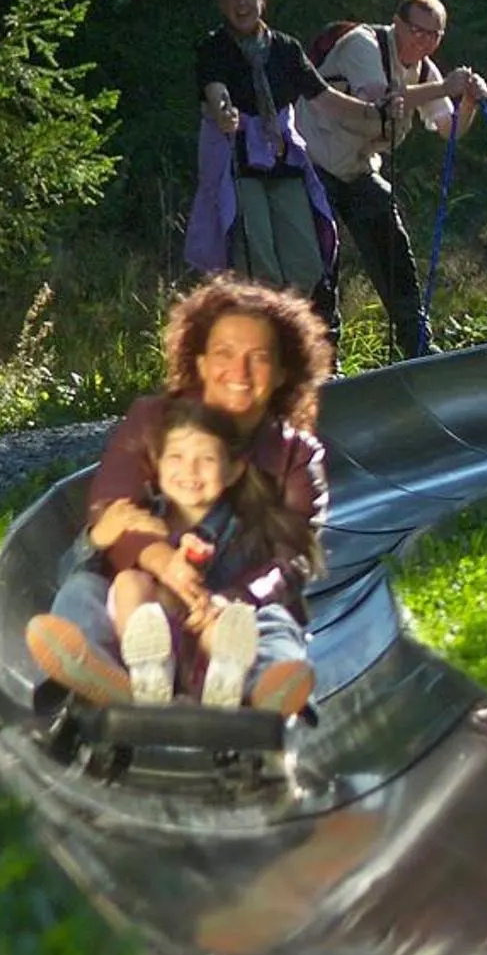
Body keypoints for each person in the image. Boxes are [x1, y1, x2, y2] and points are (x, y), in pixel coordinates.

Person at [27, 278, 333, 717]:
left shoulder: (295, 455)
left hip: (236, 603)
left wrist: (233, 600)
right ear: (203, 364)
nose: (240, 372)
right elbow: (113, 506)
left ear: (284, 372)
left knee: (271, 626)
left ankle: (265, 686)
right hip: (142, 600)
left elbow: (292, 561)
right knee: (86, 592)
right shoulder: (153, 420)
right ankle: (101, 678)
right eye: (225, 354)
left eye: (259, 358)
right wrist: (162, 562)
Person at [299, 0, 487, 358]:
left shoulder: (424, 70)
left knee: (392, 244)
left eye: (435, 35)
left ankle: (416, 341)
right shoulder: (362, 44)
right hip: (313, 162)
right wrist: (445, 88)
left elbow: (449, 129)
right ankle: (324, 358)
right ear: (398, 24)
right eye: (418, 31)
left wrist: (467, 102)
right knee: (322, 260)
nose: (424, 42)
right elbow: (379, 98)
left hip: (356, 169)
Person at [186, 0, 395, 296]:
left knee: (307, 265)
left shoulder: (285, 48)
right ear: (221, 3)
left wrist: (376, 113)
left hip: (282, 160)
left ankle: (289, 330)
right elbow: (215, 91)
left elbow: (325, 98)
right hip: (238, 164)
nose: (242, 4)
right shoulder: (213, 48)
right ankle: (264, 339)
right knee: (259, 263)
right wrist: (225, 113)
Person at [105, 396, 323, 712]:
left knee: (238, 621)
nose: (189, 471)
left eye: (206, 459)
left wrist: (218, 600)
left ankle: (230, 681)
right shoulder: (144, 521)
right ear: (157, 464)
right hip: (157, 636)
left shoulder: (246, 528)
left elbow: (270, 579)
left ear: (234, 471)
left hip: (211, 635)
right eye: (176, 457)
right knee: (128, 583)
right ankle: (149, 673)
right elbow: (98, 569)